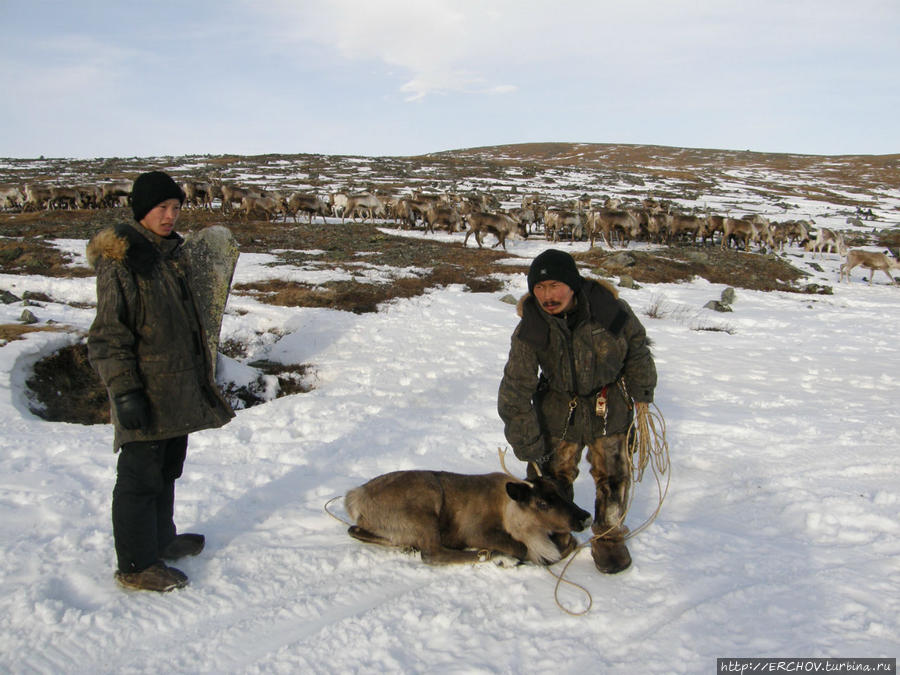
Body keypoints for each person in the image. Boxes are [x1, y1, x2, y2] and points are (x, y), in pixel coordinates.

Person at [87, 171, 235, 592]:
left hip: (176, 389)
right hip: (145, 391)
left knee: (166, 470)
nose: (170, 216)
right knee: (139, 477)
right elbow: (107, 336)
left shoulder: (169, 254)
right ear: (141, 210)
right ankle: (135, 564)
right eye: (160, 208)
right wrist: (125, 390)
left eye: (175, 208)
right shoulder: (123, 261)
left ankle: (160, 540)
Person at [497, 249, 657, 573]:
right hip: (558, 406)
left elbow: (637, 348)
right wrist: (528, 444)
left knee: (614, 476)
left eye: (554, 286)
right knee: (550, 477)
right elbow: (515, 388)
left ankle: (609, 539)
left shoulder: (608, 310)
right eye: (539, 288)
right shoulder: (532, 326)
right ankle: (557, 532)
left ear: (572, 283)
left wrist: (641, 393)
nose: (546, 296)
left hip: (607, 404)